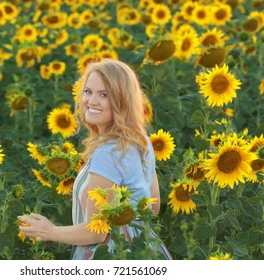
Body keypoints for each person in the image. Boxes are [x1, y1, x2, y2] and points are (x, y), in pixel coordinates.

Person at [18, 59, 172, 260]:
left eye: (104, 95)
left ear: (121, 101)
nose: (91, 101)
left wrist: (50, 231)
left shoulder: (107, 152)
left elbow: (96, 232)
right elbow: (153, 208)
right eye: (88, 92)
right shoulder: (141, 141)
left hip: (109, 254)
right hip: (143, 249)